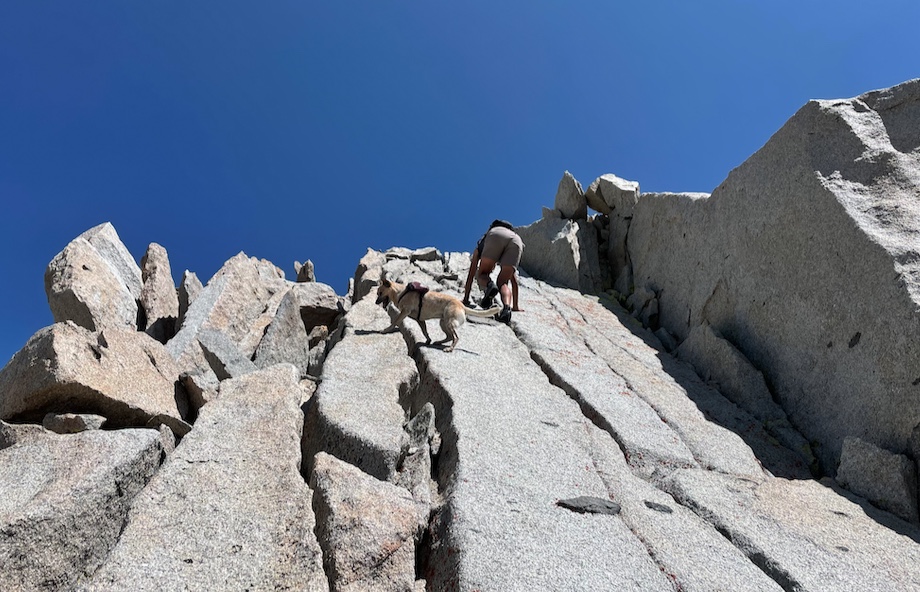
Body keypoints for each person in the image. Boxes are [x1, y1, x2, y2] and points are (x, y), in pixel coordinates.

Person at [462, 219, 524, 323]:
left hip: (495, 236)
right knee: (503, 282)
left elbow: (471, 274)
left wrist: (466, 298)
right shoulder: (512, 234)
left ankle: (490, 285)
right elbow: (514, 281)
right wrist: (516, 306)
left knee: (482, 274)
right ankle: (507, 309)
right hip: (517, 241)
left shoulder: (486, 238)